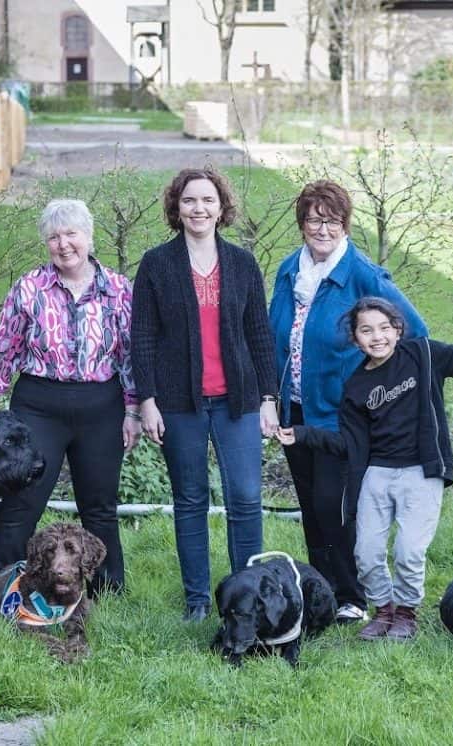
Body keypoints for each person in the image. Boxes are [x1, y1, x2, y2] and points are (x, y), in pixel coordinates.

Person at [279, 285, 453, 641]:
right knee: (367, 551)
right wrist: (302, 434)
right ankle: (383, 610)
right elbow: (348, 443)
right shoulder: (357, 385)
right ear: (356, 339)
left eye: (383, 327)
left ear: (397, 328)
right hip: (377, 473)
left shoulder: (423, 355)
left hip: (421, 471)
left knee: (408, 550)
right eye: (366, 330)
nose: (376, 336)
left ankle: (406, 612)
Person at [269, 180, 427, 625]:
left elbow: (414, 333)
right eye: (315, 219)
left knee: (332, 505)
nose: (323, 229)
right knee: (309, 505)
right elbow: (271, 335)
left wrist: (380, 388)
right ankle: (320, 590)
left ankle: (352, 594)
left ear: (345, 225)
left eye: (333, 220)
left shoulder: (362, 274)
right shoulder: (289, 272)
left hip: (343, 415)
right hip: (294, 411)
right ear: (301, 223)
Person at [131, 168, 279, 622]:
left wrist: (269, 399)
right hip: (179, 404)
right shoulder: (157, 264)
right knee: (190, 500)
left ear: (221, 208)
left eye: (208, 200)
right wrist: (147, 400)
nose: (199, 208)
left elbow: (258, 333)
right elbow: (143, 337)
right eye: (190, 200)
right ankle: (197, 600)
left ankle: (247, 595)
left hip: (238, 402)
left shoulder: (242, 263)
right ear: (177, 208)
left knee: (246, 498)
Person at [0, 199, 139, 593]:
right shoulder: (29, 287)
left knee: (99, 505)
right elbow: (6, 348)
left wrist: (133, 409)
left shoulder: (118, 289)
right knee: (23, 501)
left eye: (71, 234)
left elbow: (131, 355)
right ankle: (3, 584)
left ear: (89, 236)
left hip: (100, 405)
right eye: (54, 237)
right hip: (38, 405)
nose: (63, 244)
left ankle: (106, 589)